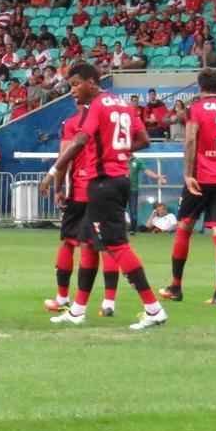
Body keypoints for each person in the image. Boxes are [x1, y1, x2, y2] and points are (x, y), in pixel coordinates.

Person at [40, 62, 168, 330]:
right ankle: (77, 311)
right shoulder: (124, 104)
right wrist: (120, 152)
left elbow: (79, 141)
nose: (72, 90)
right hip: (117, 180)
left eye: (76, 84)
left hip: (104, 184)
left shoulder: (96, 106)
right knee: (88, 244)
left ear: (92, 82)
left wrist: (53, 172)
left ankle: (154, 308)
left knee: (117, 246)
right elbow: (144, 140)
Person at [160, 70, 216, 305]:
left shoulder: (196, 109)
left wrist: (187, 174)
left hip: (200, 178)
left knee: (184, 228)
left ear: (200, 87)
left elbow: (191, 139)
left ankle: (176, 287)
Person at [44, 101, 120, 317]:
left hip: (80, 191)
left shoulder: (72, 123)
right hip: (108, 188)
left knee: (69, 242)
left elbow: (64, 157)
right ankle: (109, 302)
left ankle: (62, 298)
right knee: (107, 246)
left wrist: (58, 188)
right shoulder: (111, 121)